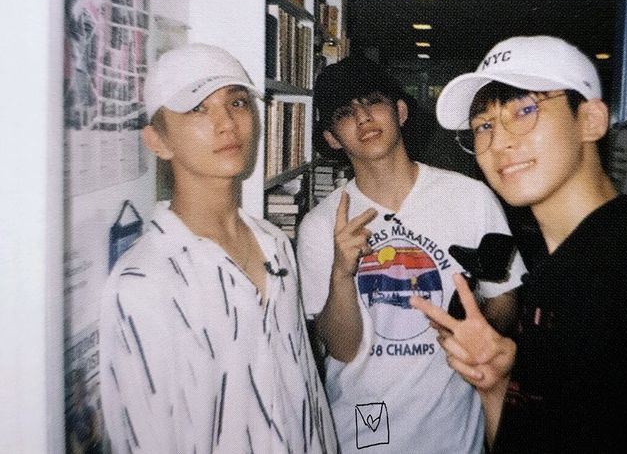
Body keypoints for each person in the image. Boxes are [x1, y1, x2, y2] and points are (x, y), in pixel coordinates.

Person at [412, 35, 627, 452]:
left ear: (591, 121)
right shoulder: (555, 269)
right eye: (484, 126)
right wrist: (494, 387)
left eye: (525, 110)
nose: (498, 143)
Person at [99, 43, 337, 453]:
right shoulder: (144, 282)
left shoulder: (275, 244)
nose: (226, 123)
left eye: (238, 102)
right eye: (197, 109)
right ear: (157, 141)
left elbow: (308, 394)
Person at [296, 56, 526, 453]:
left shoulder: (471, 198)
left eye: (373, 101)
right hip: (363, 430)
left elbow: (504, 300)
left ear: (400, 111)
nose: (364, 117)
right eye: (344, 112)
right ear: (332, 137)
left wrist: (473, 327)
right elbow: (343, 349)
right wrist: (340, 272)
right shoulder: (320, 226)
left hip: (452, 428)